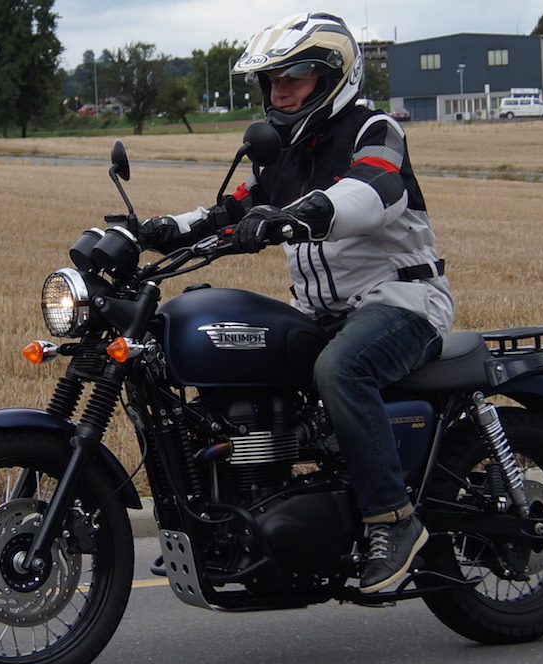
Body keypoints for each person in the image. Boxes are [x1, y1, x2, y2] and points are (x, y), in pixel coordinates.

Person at [138, 12, 453, 594]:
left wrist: (302, 215)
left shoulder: (373, 130)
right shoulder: (279, 152)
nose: (280, 90)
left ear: (333, 77)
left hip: (402, 301)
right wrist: (154, 231)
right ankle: (230, 518)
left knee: (341, 368)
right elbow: (228, 213)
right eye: (273, 80)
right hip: (317, 312)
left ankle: (394, 520)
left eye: (295, 77)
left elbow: (373, 189)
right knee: (230, 356)